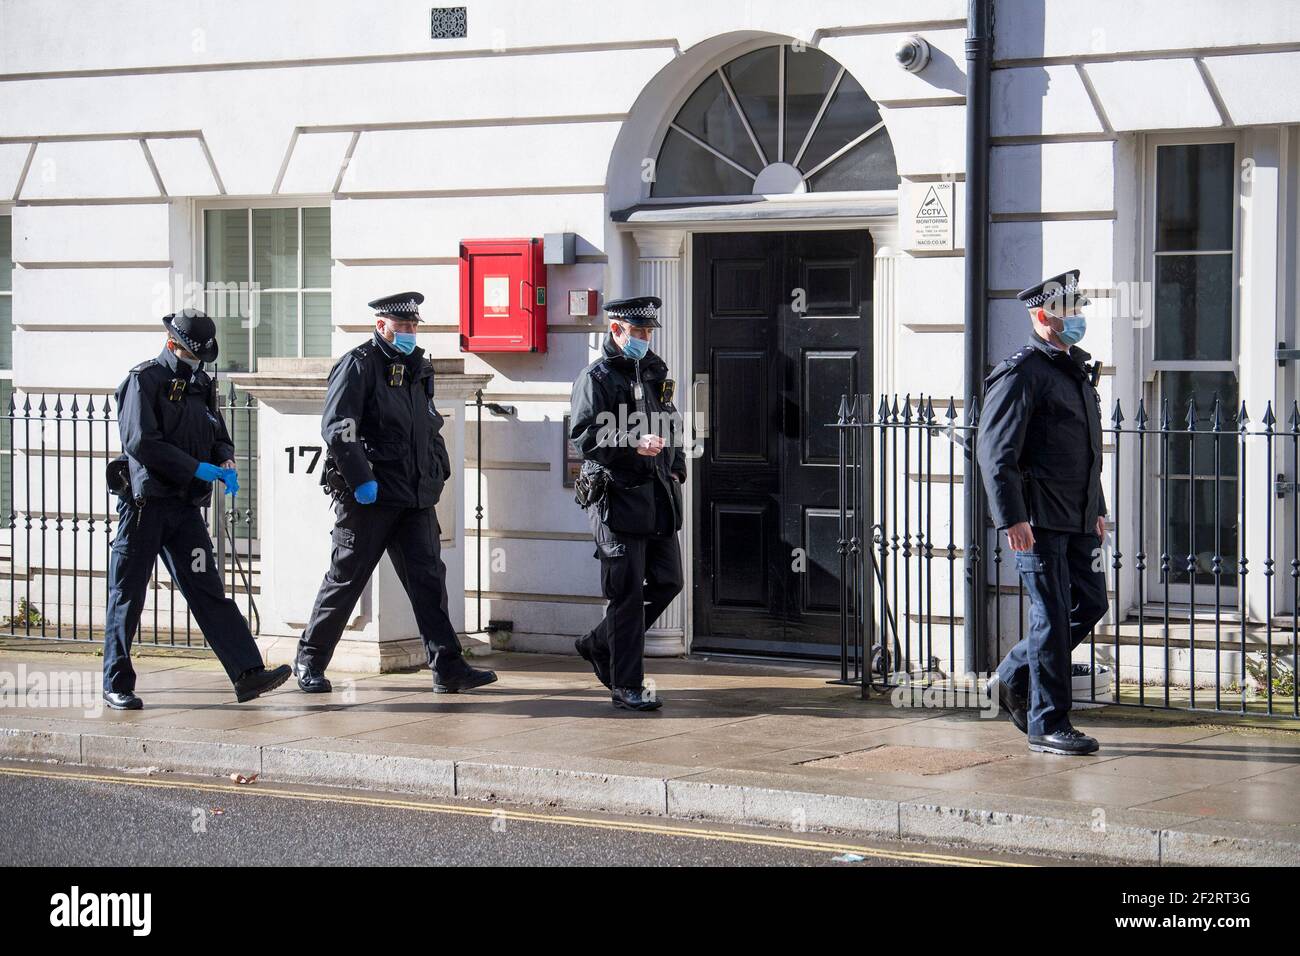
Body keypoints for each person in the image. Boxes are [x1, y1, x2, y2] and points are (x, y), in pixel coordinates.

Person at [294, 291, 496, 694]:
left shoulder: (418, 366)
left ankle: (448, 667)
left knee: (428, 583)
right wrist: (360, 477)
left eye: (412, 326)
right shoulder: (359, 365)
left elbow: (428, 423)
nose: (407, 332)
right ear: (380, 325)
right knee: (346, 578)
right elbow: (338, 427)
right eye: (400, 326)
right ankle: (310, 661)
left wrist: (437, 469)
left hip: (414, 497)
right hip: (370, 499)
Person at [102, 309, 291, 710]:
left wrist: (224, 460)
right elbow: (141, 442)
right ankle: (116, 681)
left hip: (184, 509)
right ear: (173, 345)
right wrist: (194, 467)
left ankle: (247, 673)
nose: (197, 360)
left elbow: (217, 432)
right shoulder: (143, 381)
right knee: (127, 595)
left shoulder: (201, 384)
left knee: (208, 590)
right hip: (145, 507)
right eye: (192, 352)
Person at [977, 269, 1109, 756]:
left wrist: (1097, 508)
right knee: (1051, 615)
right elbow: (995, 453)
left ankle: (1011, 676)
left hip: (1077, 517)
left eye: (1079, 310)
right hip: (1037, 519)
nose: (1077, 319)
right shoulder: (1022, 372)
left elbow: (1088, 450)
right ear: (1042, 315)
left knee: (1091, 603)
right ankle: (1047, 722)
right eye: (1069, 311)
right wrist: (1012, 518)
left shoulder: (1073, 369)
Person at [569, 295, 685, 712]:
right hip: (617, 500)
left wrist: (677, 465)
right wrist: (632, 443)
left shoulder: (653, 370)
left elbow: (670, 420)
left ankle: (599, 642)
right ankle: (626, 685)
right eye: (638, 331)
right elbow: (583, 437)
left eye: (648, 331)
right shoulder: (595, 378)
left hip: (657, 497)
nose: (644, 338)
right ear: (616, 330)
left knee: (670, 582)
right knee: (626, 595)